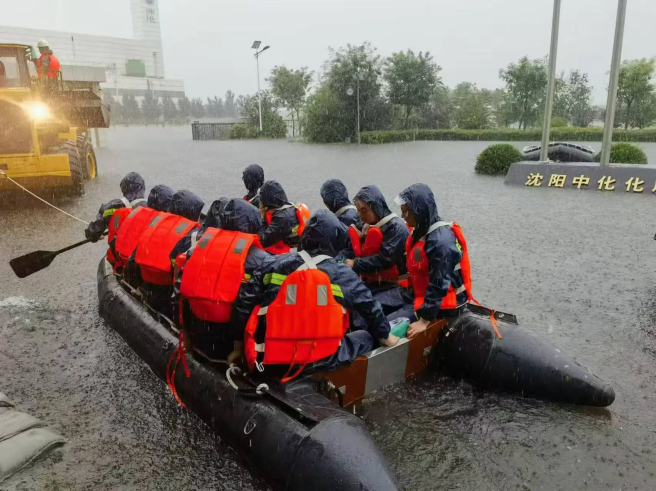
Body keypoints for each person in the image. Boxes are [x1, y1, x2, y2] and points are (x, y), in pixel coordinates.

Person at [228, 210, 399, 374]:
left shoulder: (273, 263)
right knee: (366, 337)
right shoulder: (342, 273)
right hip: (313, 360)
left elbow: (244, 302)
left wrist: (237, 346)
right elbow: (370, 307)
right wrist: (384, 335)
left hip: (268, 357)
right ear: (333, 241)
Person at [177, 198, 274, 360]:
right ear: (253, 225)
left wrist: (185, 332)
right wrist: (238, 344)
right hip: (229, 338)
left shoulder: (198, 250)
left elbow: (180, 293)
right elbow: (245, 305)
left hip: (199, 329)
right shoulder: (262, 260)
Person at [391, 183, 471, 339]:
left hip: (444, 306)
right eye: (402, 211)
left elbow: (439, 283)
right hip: (424, 296)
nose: (403, 217)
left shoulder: (441, 241)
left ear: (420, 210)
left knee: (389, 327)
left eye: (407, 212)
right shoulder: (424, 230)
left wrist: (424, 320)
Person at [337, 185, 409, 315]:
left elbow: (385, 260)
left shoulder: (397, 228)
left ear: (376, 207)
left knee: (362, 311)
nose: (360, 215)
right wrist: (336, 261)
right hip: (370, 283)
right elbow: (350, 249)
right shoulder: (363, 226)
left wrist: (355, 264)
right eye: (358, 211)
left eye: (364, 211)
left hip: (393, 287)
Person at [85, 172, 146, 242]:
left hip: (121, 250)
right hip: (145, 250)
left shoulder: (112, 206)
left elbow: (92, 232)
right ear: (142, 188)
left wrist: (95, 234)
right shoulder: (153, 205)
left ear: (123, 188)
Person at [258, 180, 309, 254]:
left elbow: (262, 241)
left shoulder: (282, 218)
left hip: (289, 254)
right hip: (300, 246)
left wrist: (262, 216)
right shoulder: (292, 207)